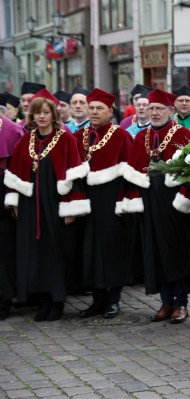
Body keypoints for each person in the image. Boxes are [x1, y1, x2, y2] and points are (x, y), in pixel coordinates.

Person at [4, 89, 90, 321]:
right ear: (32, 116)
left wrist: (70, 206)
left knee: (56, 252)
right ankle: (42, 299)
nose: (42, 117)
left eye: (46, 112)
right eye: (38, 113)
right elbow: (15, 173)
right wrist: (15, 201)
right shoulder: (26, 140)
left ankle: (57, 300)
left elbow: (75, 175)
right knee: (35, 253)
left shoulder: (66, 139)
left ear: (53, 115)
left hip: (56, 205)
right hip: (31, 206)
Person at [121, 88, 190, 324]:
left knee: (175, 251)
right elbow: (132, 172)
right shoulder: (141, 137)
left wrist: (184, 199)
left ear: (171, 111)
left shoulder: (183, 134)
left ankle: (181, 303)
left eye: (159, 109)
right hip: (149, 202)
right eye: (151, 109)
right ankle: (166, 300)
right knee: (155, 252)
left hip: (173, 205)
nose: (155, 113)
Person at [73, 88, 137, 319]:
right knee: (90, 250)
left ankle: (113, 299)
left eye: (99, 108)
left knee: (112, 250)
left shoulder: (121, 136)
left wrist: (127, 202)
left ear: (110, 111)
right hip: (87, 200)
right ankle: (97, 299)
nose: (94, 112)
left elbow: (131, 171)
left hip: (112, 200)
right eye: (91, 108)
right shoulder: (78, 137)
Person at [0, 112, 24, 320]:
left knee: (4, 251)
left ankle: (5, 299)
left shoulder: (12, 130)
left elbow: (20, 169)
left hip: (3, 194)